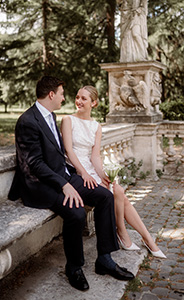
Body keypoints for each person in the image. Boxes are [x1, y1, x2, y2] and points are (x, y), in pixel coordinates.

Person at [8, 76, 135, 292]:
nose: (63, 97)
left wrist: (76, 176)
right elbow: (35, 164)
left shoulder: (50, 115)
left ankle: (104, 259)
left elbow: (58, 154)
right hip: (39, 185)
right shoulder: (27, 121)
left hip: (62, 176)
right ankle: (74, 267)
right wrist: (64, 185)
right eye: (61, 93)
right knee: (76, 212)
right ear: (51, 95)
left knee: (106, 196)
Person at [61, 85, 166, 259]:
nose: (79, 101)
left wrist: (104, 175)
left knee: (117, 189)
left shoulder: (96, 126)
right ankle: (130, 235)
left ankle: (140, 237)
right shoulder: (68, 120)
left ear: (94, 103)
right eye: (78, 97)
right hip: (75, 170)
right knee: (119, 193)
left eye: (84, 98)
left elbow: (95, 156)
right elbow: (69, 152)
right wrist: (84, 174)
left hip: (90, 168)